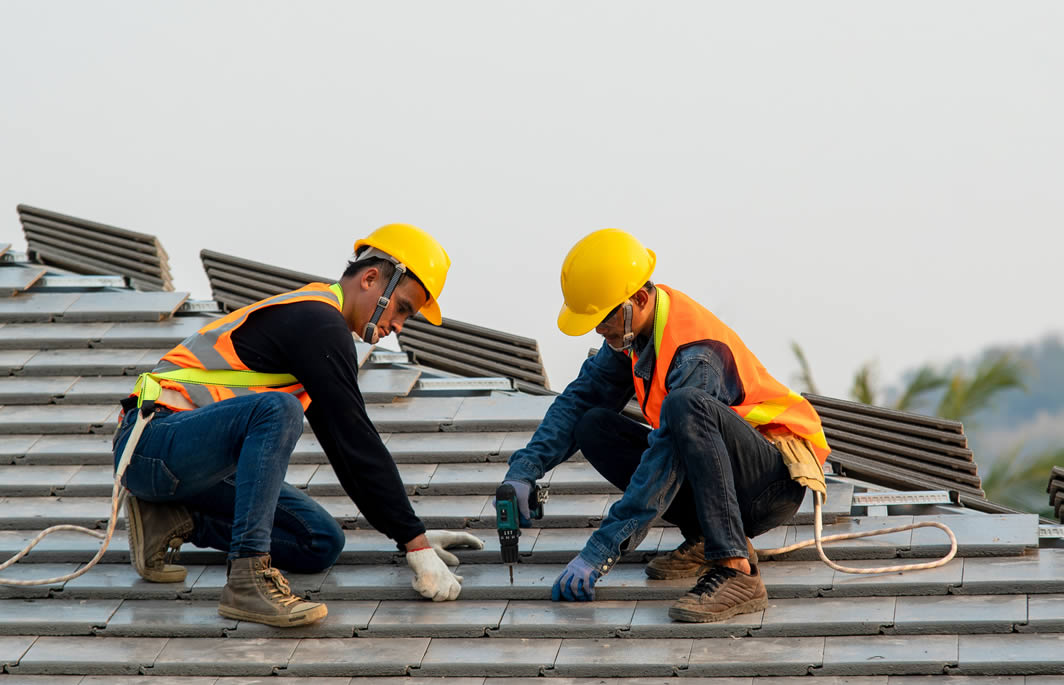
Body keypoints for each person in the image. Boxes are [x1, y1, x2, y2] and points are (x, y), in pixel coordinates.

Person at [112, 223, 482, 627]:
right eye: (403, 309)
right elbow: (356, 438)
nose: (398, 326)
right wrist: (415, 543)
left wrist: (412, 537)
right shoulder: (317, 322)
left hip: (189, 463)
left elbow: (346, 449)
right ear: (372, 278)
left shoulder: (319, 330)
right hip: (150, 444)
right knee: (280, 409)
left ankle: (171, 519)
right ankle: (247, 580)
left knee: (319, 541)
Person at [501, 228, 830, 623]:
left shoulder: (696, 355)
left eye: (602, 317)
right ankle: (710, 534)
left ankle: (736, 568)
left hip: (772, 481)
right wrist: (525, 470)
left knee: (685, 405)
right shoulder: (634, 332)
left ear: (638, 299)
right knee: (594, 425)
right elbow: (579, 400)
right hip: (725, 479)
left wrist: (601, 550)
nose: (597, 329)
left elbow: (664, 457)